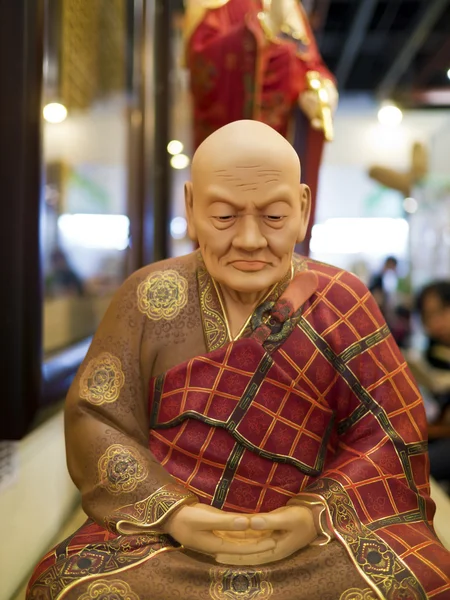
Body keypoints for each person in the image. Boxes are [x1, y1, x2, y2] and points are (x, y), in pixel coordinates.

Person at [28, 121, 450, 600]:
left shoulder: (341, 299)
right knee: (64, 585)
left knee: (421, 580)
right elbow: (98, 418)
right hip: (167, 540)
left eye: (273, 217)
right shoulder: (148, 296)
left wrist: (312, 514)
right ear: (191, 207)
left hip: (314, 541)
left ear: (303, 208)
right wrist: (175, 514)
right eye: (225, 217)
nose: (250, 240)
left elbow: (389, 430)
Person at [184, 0, 338, 254]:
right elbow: (204, 67)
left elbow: (309, 63)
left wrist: (323, 88)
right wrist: (260, 32)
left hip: (284, 145)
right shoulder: (216, 5)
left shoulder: (290, 7)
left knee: (277, 219)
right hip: (236, 150)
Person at [415, 281, 450, 485]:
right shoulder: (434, 351)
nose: (435, 323)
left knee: (423, 466)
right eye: (428, 317)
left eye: (441, 311)